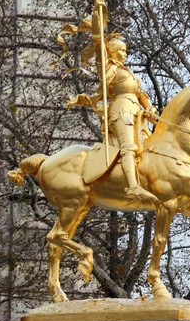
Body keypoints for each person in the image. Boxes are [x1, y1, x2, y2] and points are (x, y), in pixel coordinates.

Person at [68, 36, 158, 204]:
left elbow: (141, 95)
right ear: (112, 52)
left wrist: (150, 108)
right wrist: (98, 31)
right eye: (121, 50)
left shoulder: (129, 72)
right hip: (121, 111)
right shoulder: (109, 68)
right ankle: (132, 186)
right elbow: (100, 56)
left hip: (138, 113)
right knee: (129, 147)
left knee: (146, 148)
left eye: (125, 50)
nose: (125, 54)